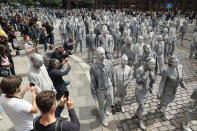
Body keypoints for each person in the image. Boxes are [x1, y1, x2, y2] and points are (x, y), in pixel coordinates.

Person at [90, 47, 116, 127]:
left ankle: (105, 110)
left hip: (109, 86)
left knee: (111, 102)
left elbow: (113, 74)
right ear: (97, 55)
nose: (103, 55)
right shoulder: (93, 67)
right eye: (101, 54)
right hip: (100, 90)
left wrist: (114, 85)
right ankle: (103, 117)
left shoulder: (109, 63)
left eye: (104, 53)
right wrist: (94, 94)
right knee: (101, 106)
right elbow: (93, 82)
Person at [158, 56, 186, 120]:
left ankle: (160, 104)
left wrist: (183, 84)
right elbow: (162, 82)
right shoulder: (166, 70)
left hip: (174, 89)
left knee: (167, 99)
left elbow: (181, 77)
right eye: (175, 62)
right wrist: (159, 92)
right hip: (167, 89)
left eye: (178, 61)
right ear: (171, 63)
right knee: (166, 101)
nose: (177, 62)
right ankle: (164, 112)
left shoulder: (180, 67)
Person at [135, 58, 156, 130]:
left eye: (154, 64)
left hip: (146, 91)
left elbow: (152, 82)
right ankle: (140, 121)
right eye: (152, 64)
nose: (154, 65)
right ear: (147, 64)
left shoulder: (151, 70)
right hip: (139, 92)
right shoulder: (140, 70)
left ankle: (137, 113)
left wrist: (153, 77)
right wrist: (145, 77)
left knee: (142, 106)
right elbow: (138, 81)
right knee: (142, 106)